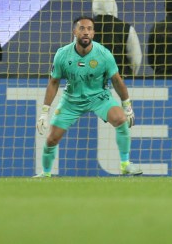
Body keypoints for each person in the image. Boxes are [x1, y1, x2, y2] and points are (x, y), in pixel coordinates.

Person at [34, 15, 141, 177]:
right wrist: (44, 111)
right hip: (71, 100)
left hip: (99, 97)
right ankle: (46, 174)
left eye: (89, 29)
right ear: (75, 32)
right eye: (82, 28)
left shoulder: (104, 54)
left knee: (120, 120)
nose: (86, 32)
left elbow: (117, 82)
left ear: (93, 33)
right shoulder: (62, 54)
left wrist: (127, 106)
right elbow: (54, 82)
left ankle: (125, 164)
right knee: (51, 139)